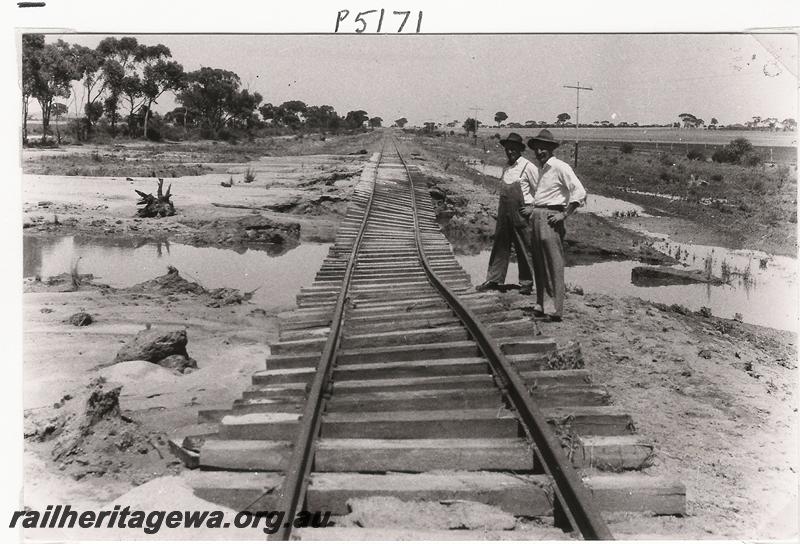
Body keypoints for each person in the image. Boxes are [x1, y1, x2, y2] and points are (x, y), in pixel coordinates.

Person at [523, 129, 587, 321]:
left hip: (552, 216)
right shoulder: (541, 168)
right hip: (538, 215)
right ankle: (542, 305)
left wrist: (564, 215)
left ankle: (555, 310)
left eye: (544, 148)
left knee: (553, 263)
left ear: (551, 149)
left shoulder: (560, 166)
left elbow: (580, 192)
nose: (540, 151)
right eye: (537, 148)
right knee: (539, 263)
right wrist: (533, 208)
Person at [476, 132, 537, 294]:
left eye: (513, 149)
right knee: (500, 245)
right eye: (508, 149)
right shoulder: (507, 166)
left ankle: (526, 283)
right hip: (504, 213)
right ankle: (494, 279)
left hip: (520, 214)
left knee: (524, 246)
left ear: (520, 149)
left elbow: (542, 190)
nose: (510, 152)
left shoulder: (528, 166)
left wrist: (533, 207)